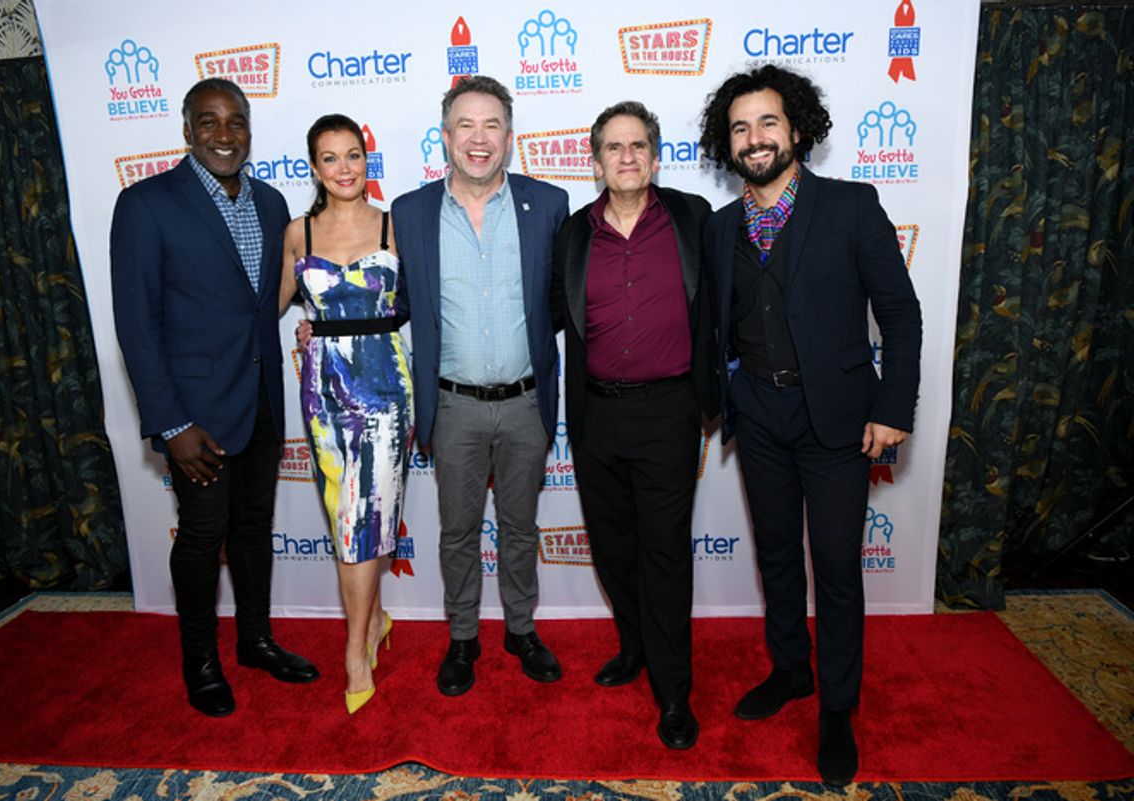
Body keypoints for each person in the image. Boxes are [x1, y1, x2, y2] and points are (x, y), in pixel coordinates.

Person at [700, 65, 922, 785]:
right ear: (728, 144)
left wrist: (893, 408)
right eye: (740, 128)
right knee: (774, 556)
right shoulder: (721, 227)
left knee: (835, 566)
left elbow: (900, 314)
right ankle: (791, 669)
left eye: (767, 122)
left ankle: (837, 707)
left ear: (796, 130)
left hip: (838, 420)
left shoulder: (851, 206)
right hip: (759, 415)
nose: (754, 138)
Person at [110, 77, 318, 718]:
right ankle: (199, 660)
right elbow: (137, 325)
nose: (224, 135)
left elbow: (270, 300)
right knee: (203, 537)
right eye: (209, 121)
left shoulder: (271, 203)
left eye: (236, 122)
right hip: (196, 415)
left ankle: (256, 640)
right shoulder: (145, 204)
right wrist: (171, 423)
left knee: (254, 529)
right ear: (187, 130)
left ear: (249, 131)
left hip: (261, 401)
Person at [392, 75, 569, 696]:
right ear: (445, 137)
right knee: (458, 532)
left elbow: (566, 296)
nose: (479, 137)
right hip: (453, 406)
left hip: (526, 402)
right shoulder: (410, 212)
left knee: (521, 528)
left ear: (510, 137)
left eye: (492, 125)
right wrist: (328, 325)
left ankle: (521, 630)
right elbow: (395, 300)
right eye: (465, 125)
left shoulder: (549, 204)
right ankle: (463, 637)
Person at [551, 101, 719, 749]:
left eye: (638, 145)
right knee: (613, 545)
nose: (627, 156)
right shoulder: (573, 234)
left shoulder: (692, 218)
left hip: (669, 412)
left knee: (665, 551)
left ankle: (674, 692)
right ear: (595, 161)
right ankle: (635, 645)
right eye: (614, 147)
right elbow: (546, 312)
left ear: (655, 156)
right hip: (596, 412)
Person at [280, 114, 413, 715]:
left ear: (367, 159)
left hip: (385, 389)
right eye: (330, 158)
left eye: (353, 155)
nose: (344, 168)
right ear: (314, 168)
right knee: (346, 516)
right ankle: (376, 618)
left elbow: (420, 302)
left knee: (363, 520)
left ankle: (355, 651)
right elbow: (268, 307)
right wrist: (307, 330)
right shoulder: (298, 232)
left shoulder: (393, 224)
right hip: (323, 394)